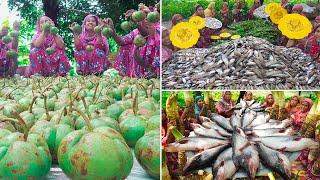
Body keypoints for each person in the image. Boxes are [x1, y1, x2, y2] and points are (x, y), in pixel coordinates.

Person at [108, 10, 144, 77]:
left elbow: (145, 33)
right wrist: (112, 29)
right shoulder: (135, 32)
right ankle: (126, 73)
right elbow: (121, 41)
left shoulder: (155, 29)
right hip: (137, 60)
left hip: (147, 62)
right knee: (124, 47)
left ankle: (143, 73)